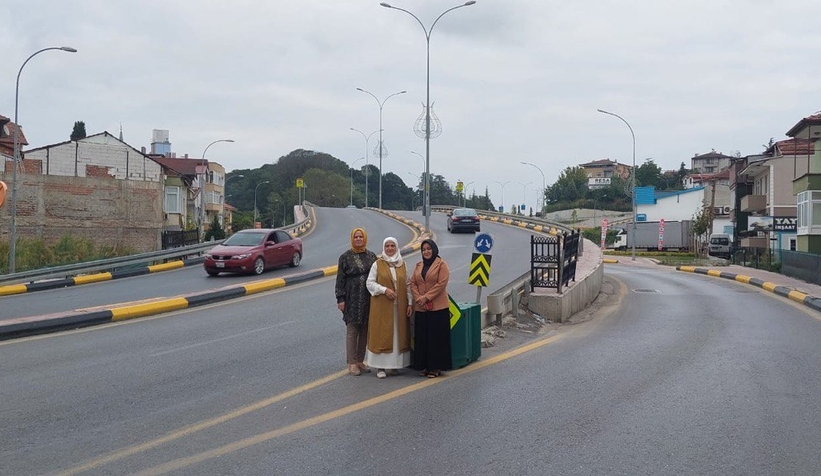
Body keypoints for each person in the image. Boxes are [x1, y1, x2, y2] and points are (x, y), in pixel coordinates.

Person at [365, 237, 412, 379]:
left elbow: (408, 284)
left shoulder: (402, 264)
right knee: (382, 334)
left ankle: (395, 366)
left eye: (392, 246)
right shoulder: (377, 264)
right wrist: (384, 290)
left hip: (399, 307)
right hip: (382, 307)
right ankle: (381, 367)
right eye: (387, 246)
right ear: (384, 248)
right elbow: (370, 283)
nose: (390, 248)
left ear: (396, 247)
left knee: (397, 335)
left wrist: (410, 302)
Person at [335, 228, 377, 376]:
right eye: (356, 237)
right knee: (352, 330)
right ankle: (352, 363)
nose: (358, 239)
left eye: (361, 237)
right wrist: (341, 299)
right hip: (352, 299)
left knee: (365, 330)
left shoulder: (371, 256)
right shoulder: (345, 257)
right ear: (352, 239)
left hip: (368, 298)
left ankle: (360, 360)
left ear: (364, 238)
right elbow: (340, 279)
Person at [409, 238, 451, 378]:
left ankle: (436, 367)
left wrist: (426, 297)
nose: (426, 252)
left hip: (438, 308)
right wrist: (418, 298)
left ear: (434, 250)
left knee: (436, 338)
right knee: (423, 338)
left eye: (429, 249)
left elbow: (441, 284)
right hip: (421, 308)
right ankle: (425, 366)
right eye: (424, 249)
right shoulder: (419, 265)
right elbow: (413, 283)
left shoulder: (441, 264)